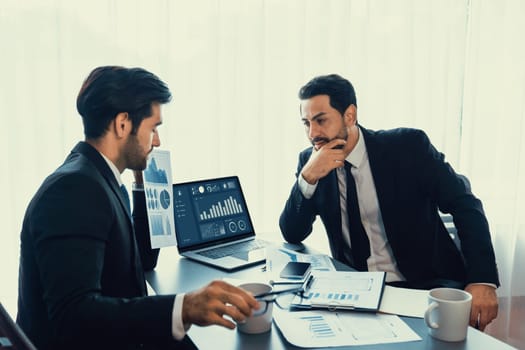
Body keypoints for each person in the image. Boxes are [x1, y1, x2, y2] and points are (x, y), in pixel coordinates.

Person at [17, 66, 259, 350]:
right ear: (123, 124)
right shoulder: (74, 189)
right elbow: (73, 316)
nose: (157, 141)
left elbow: (139, 262)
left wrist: (143, 185)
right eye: (153, 128)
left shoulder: (100, 178)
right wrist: (185, 306)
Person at [279, 74, 500, 331]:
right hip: (357, 294)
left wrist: (483, 280)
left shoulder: (407, 147)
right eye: (306, 123)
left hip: (424, 286)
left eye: (321, 121)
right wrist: (307, 178)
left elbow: (466, 205)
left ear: (349, 115)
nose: (312, 134)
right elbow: (292, 232)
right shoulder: (311, 162)